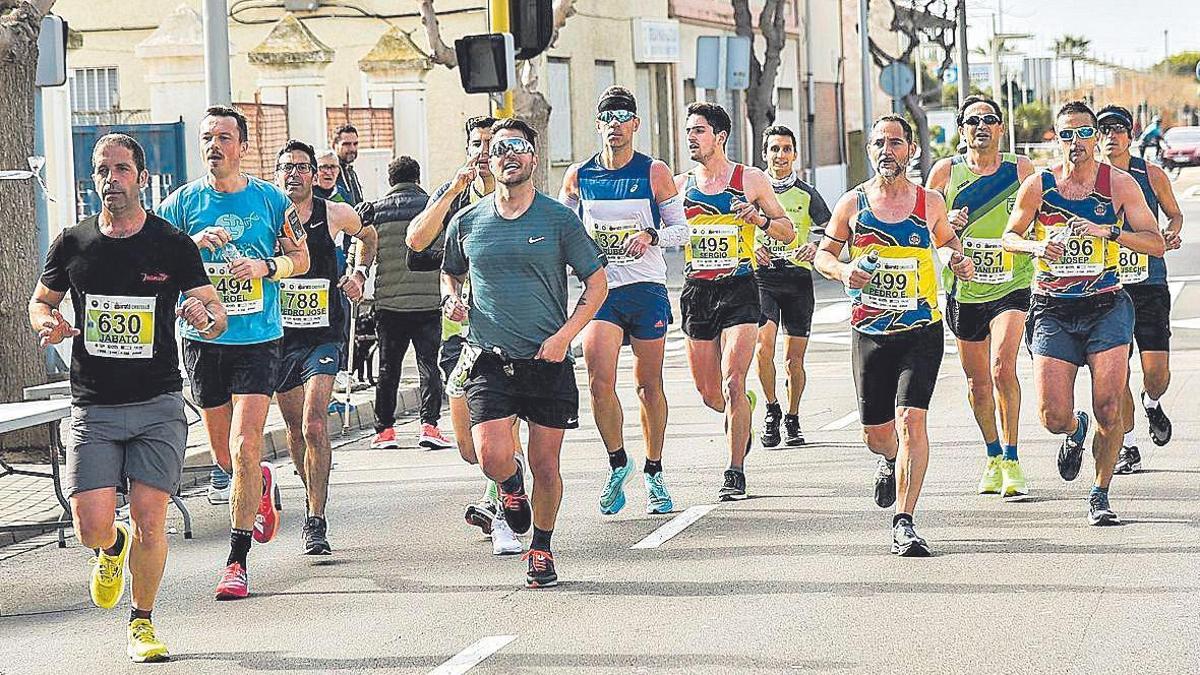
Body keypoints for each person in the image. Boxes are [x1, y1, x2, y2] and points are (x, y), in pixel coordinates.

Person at [28, 134, 227, 662]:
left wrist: (204, 316)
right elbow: (40, 301)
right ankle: (111, 547)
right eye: (102, 170)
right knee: (90, 525)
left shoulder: (171, 243)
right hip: (93, 404)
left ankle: (142, 621)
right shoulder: (73, 242)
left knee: (150, 517)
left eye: (121, 169)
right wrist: (48, 321)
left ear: (141, 177)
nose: (111, 179)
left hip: (157, 402)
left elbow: (214, 312)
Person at [442, 118, 608, 588]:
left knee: (546, 465)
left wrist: (565, 337)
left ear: (533, 157)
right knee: (490, 456)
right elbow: (450, 271)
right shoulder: (467, 221)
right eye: (499, 149)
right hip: (489, 358)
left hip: (547, 360)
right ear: (488, 161)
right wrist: (451, 297)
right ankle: (510, 488)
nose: (508, 155)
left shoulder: (558, 219)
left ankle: (541, 548)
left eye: (517, 146)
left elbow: (597, 284)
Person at [157, 105, 310, 599]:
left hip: (258, 338)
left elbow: (301, 258)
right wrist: (191, 245)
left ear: (243, 146)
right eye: (207, 137)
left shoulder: (270, 199)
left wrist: (266, 267)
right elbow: (152, 263)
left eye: (224, 137)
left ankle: (236, 561)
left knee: (245, 444)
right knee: (226, 456)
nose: (214, 145)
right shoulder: (180, 204)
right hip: (203, 340)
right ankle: (258, 482)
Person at [814, 115, 974, 556]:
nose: (887, 150)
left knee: (910, 421)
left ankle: (904, 521)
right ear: (870, 150)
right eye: (879, 143)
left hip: (920, 329)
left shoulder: (930, 202)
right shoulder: (852, 204)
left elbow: (947, 243)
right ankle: (890, 458)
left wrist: (956, 260)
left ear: (911, 150)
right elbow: (824, 256)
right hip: (869, 331)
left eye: (896, 143)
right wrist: (844, 270)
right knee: (877, 434)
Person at [1002, 101, 1165, 527]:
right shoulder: (1039, 186)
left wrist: (1108, 231)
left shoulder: (1120, 184)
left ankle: (1100, 492)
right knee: (1051, 415)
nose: (1075, 141)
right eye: (1066, 134)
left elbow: (1155, 243)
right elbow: (1009, 236)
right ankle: (1075, 430)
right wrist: (1037, 246)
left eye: (1083, 133)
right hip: (1053, 308)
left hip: (1106, 305)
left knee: (1109, 407)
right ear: (1056, 139)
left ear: (1095, 137)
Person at [558, 86, 688, 515]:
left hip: (646, 288)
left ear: (635, 124)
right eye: (607, 118)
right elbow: (562, 228)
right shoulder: (579, 175)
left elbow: (682, 230)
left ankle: (654, 470)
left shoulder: (654, 172)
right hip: (602, 292)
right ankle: (618, 462)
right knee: (599, 382)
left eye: (622, 118)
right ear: (598, 125)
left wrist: (651, 235)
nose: (615, 126)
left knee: (648, 386)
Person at [408, 115, 524, 556]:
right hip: (460, 335)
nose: (485, 151)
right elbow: (416, 242)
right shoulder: (456, 196)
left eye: (494, 144)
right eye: (477, 143)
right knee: (470, 447)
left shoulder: (519, 196)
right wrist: (454, 189)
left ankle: (500, 510)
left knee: (500, 424)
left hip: (508, 335)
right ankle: (509, 482)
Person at [675, 102, 794, 501]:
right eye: (689, 131)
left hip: (739, 288)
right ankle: (744, 408)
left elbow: (787, 231)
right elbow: (661, 229)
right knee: (711, 394)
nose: (691, 138)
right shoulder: (679, 186)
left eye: (699, 131)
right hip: (697, 292)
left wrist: (759, 220)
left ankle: (734, 471)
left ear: (720, 136)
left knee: (732, 380)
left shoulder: (750, 179)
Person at [926, 96, 1036, 499]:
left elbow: (1042, 215)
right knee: (977, 383)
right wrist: (947, 226)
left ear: (1001, 128)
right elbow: (924, 228)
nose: (981, 127)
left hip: (1012, 283)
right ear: (962, 130)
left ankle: (1012, 458)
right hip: (965, 289)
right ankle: (992, 455)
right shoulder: (945, 172)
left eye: (989, 119)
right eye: (973, 121)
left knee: (1002, 368)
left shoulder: (1020, 169)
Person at [272, 140, 377, 555]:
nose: (294, 174)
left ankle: (315, 519)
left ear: (315, 176)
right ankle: (310, 490)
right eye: (287, 167)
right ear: (277, 175)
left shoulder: (334, 213)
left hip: (324, 333)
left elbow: (368, 236)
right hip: (280, 336)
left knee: (315, 424)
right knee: (295, 429)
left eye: (302, 167)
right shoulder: (267, 215)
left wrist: (359, 273)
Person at [1096, 104, 1184, 474]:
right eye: (1103, 130)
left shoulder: (1151, 174)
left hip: (1149, 283)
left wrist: (1171, 232)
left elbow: (1174, 213)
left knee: (1157, 374)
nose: (1110, 137)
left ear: (1130, 134)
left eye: (1118, 129)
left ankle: (1152, 401)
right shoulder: (1087, 178)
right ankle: (1128, 445)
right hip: (1106, 287)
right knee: (1117, 373)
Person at [359, 156, 455, 451]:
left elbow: (362, 250)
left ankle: (385, 431)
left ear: (391, 181)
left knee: (388, 369)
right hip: (428, 303)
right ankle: (429, 426)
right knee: (429, 366)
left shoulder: (375, 211)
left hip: (389, 305)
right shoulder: (433, 208)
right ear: (417, 178)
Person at [752, 125, 831, 449]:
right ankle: (772, 408)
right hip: (763, 278)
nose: (780, 155)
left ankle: (793, 416)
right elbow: (735, 229)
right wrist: (751, 249)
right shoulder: (752, 190)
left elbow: (833, 232)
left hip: (798, 281)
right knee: (763, 346)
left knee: (793, 360)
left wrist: (815, 246)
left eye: (786, 149)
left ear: (795, 154)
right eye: (774, 149)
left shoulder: (807, 193)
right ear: (764, 154)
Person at [333, 124, 364, 206]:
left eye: (355, 144)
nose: (352, 149)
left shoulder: (350, 171)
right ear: (334, 145)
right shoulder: (329, 173)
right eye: (346, 144)